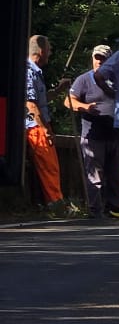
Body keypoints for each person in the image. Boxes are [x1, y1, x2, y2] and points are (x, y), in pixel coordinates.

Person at [66, 43, 119, 218]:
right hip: (93, 135)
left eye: (103, 59)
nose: (99, 61)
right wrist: (85, 107)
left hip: (114, 135)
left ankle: (114, 208)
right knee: (94, 176)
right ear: (92, 59)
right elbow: (69, 101)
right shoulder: (84, 79)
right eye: (96, 58)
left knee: (115, 176)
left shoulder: (118, 80)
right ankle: (95, 211)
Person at [24, 35, 66, 212]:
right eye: (49, 49)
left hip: (41, 125)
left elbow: (41, 100)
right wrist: (43, 128)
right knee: (49, 167)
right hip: (34, 127)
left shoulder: (37, 73)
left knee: (52, 166)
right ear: (41, 51)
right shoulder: (28, 71)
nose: (50, 52)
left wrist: (58, 91)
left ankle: (56, 201)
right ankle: (56, 204)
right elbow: (31, 104)